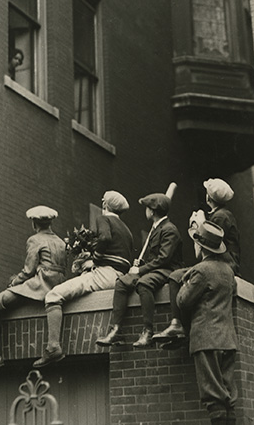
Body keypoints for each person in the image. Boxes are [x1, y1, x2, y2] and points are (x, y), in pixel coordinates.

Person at [32, 191, 134, 367]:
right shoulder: (127, 230)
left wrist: (94, 258)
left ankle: (53, 347)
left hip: (104, 274)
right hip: (119, 277)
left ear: (105, 205)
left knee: (53, 296)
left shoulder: (104, 219)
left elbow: (105, 238)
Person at [0, 206, 67, 373]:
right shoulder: (61, 242)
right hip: (57, 286)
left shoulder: (34, 240)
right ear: (50, 222)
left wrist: (14, 282)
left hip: (40, 285)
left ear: (34, 223)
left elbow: (29, 270)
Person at [153, 178, 240, 348]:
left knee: (176, 276)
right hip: (223, 263)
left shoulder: (219, 218)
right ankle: (179, 328)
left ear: (209, 198)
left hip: (221, 264)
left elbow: (200, 252)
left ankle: (178, 326)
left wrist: (195, 225)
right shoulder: (222, 215)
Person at [96, 192, 184, 348]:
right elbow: (153, 257)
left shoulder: (169, 229)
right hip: (154, 268)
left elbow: (164, 259)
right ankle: (116, 330)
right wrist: (140, 262)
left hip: (167, 270)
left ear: (152, 211)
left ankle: (148, 331)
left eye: (147, 208)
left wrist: (140, 269)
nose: (145, 211)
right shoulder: (156, 228)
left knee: (144, 283)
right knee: (122, 282)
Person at [177, 220, 238, 425]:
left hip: (206, 339)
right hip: (228, 340)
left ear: (201, 246)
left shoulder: (201, 271)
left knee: (214, 399)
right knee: (228, 397)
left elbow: (183, 301)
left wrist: (185, 280)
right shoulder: (228, 271)